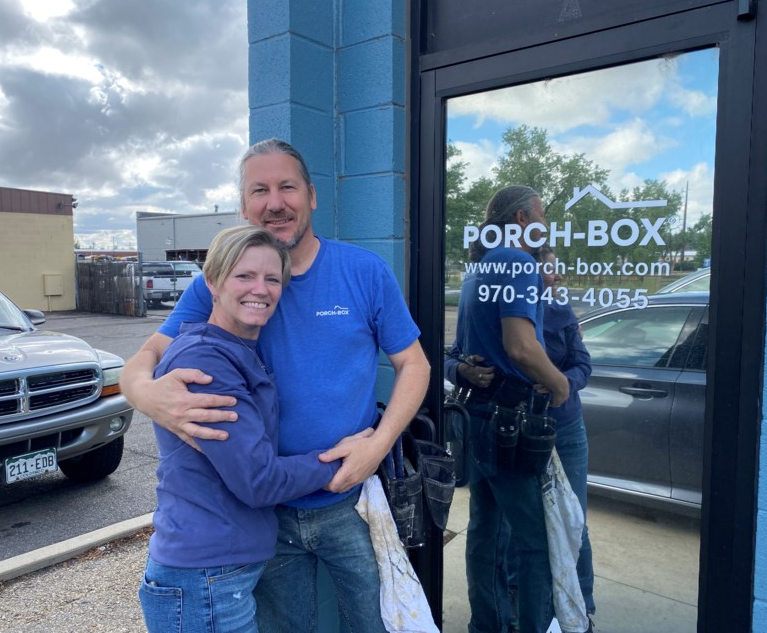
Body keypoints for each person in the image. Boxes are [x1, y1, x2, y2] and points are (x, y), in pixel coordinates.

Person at [120, 138, 431, 633]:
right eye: (259, 190)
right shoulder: (226, 279)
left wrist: (378, 443)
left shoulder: (363, 271)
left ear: (310, 195)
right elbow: (148, 355)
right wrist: (144, 394)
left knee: (379, 624)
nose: (275, 202)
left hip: (350, 502)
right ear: (244, 206)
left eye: (287, 187)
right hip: (266, 512)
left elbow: (414, 364)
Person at [138, 225, 343, 633]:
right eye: (244, 276)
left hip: (218, 571)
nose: (260, 289)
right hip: (204, 578)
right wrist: (341, 459)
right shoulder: (206, 363)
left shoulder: (235, 350)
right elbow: (258, 480)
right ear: (212, 282)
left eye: (272, 278)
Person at [443, 185, 582, 633]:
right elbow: (521, 348)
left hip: (479, 420)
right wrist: (558, 383)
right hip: (511, 422)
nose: (546, 225)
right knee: (538, 543)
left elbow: (464, 349)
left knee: (485, 531)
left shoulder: (478, 268)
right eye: (541, 215)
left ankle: (486, 625)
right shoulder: (518, 262)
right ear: (523, 219)